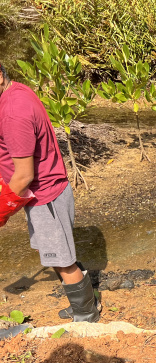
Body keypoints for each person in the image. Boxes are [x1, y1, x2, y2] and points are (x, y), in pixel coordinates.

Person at [0, 60, 100, 322]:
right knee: (55, 254)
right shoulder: (16, 91)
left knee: (62, 259)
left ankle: (86, 315)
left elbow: (24, 175)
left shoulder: (12, 112)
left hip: (46, 196)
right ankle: (86, 302)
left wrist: (2, 212)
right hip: (44, 194)